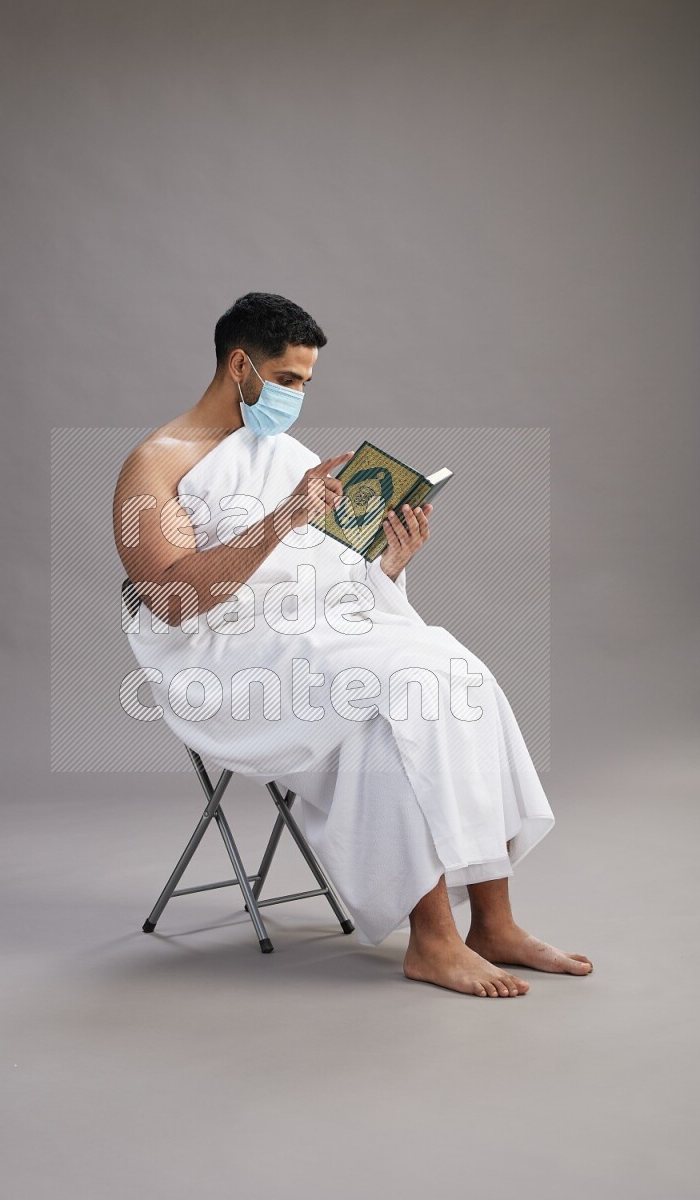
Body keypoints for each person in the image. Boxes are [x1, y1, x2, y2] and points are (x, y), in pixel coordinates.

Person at [113, 292, 593, 998]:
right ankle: (432, 941)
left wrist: (388, 565)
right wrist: (281, 519)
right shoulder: (153, 465)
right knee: (398, 692)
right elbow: (171, 600)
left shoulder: (283, 453)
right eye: (287, 379)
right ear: (239, 365)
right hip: (224, 658)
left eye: (307, 382)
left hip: (315, 632)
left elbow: (325, 575)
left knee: (459, 670)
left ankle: (493, 921)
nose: (299, 396)